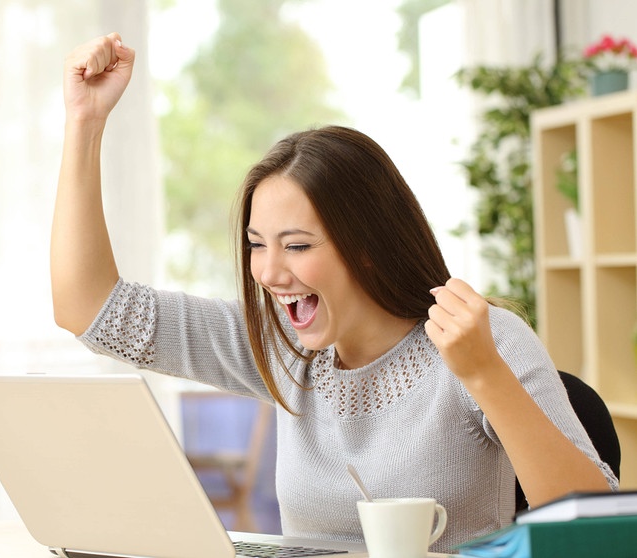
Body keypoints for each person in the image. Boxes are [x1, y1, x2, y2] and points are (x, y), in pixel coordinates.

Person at [50, 32, 618, 550]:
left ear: (368, 245)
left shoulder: (482, 343)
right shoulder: (281, 347)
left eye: (297, 246)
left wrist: (483, 374)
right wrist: (85, 121)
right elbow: (90, 309)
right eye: (256, 244)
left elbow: (598, 531)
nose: (269, 273)